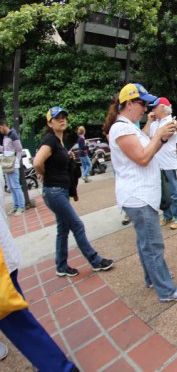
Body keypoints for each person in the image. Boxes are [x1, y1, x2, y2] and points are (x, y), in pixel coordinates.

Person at [103, 83, 177, 302]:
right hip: (138, 196)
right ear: (129, 103)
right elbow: (142, 158)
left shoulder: (128, 126)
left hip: (140, 196)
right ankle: (167, 291)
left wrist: (161, 136)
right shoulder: (121, 128)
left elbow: (148, 151)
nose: (146, 109)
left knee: (146, 243)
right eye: (142, 104)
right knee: (152, 245)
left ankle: (152, 278)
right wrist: (159, 134)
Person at [0, 189, 78, 371]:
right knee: (17, 321)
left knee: (17, 321)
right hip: (4, 259)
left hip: (3, 263)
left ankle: (59, 368)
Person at [33, 106, 114, 278]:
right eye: (57, 118)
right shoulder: (50, 140)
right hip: (54, 191)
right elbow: (37, 162)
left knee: (63, 229)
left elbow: (54, 161)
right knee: (77, 225)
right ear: (49, 122)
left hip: (59, 191)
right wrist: (43, 173)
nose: (62, 120)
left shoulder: (59, 141)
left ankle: (61, 266)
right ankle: (95, 260)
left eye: (64, 117)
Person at [143, 97, 177, 230]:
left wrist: (154, 136)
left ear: (162, 107)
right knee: (161, 193)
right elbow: (144, 137)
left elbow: (162, 138)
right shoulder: (155, 123)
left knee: (173, 193)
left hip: (167, 164)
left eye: (155, 107)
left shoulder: (171, 122)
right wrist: (149, 121)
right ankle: (167, 216)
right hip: (156, 164)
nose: (152, 109)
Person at [0, 119, 25, 215]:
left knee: (16, 186)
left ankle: (21, 207)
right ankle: (16, 206)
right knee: (11, 187)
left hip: (12, 164)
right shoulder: (6, 136)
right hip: (7, 164)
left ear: (3, 125)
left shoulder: (13, 135)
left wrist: (16, 164)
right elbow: (6, 148)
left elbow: (19, 150)